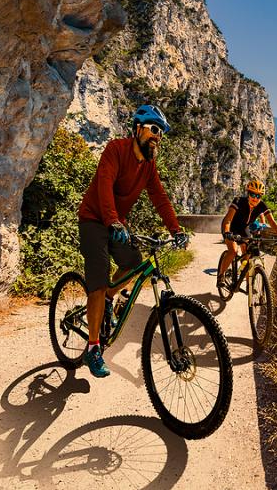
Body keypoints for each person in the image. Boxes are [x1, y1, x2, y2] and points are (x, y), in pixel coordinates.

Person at [77, 104, 187, 378]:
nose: (157, 136)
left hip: (115, 222)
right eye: (153, 129)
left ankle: (109, 301)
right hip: (93, 219)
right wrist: (113, 220)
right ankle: (93, 348)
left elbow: (159, 198)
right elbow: (104, 185)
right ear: (138, 129)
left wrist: (176, 229)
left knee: (134, 263)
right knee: (99, 280)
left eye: (160, 132)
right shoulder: (116, 149)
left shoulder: (149, 166)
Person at [218, 179, 277, 288]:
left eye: (258, 196)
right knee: (233, 251)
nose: (255, 198)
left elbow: (271, 221)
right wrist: (228, 232)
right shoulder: (238, 201)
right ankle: (221, 276)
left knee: (247, 255)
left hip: (244, 228)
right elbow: (228, 219)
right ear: (248, 193)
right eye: (253, 194)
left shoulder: (262, 205)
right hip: (230, 227)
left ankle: (248, 284)